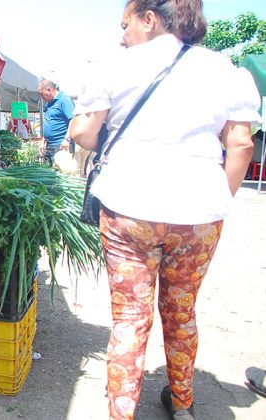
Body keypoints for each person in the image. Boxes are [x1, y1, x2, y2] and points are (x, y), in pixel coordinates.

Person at [68, 1, 259, 419]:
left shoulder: (114, 66)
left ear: (149, 19)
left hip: (127, 209)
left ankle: (121, 413)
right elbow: (242, 144)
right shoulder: (226, 71)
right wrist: (216, 203)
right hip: (199, 216)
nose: (122, 36)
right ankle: (183, 405)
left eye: (126, 24)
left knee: (129, 319)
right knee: (181, 311)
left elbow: (83, 133)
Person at [39, 80, 74, 165]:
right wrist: (43, 141)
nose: (42, 98)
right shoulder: (49, 104)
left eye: (42, 94)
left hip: (60, 145)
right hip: (49, 146)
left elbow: (73, 120)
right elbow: (48, 122)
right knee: (50, 174)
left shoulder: (64, 100)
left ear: (49, 90)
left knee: (61, 174)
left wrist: (66, 139)